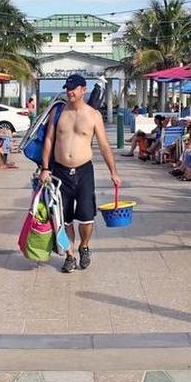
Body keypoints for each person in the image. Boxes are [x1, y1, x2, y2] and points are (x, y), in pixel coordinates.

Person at [39, 74, 122, 273]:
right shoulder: (57, 112)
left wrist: (114, 172)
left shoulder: (93, 115)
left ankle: (84, 246)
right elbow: (48, 140)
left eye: (74, 88)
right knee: (64, 218)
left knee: (86, 218)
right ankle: (70, 255)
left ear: (83, 89)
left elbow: (103, 145)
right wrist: (44, 168)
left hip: (84, 171)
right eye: (68, 88)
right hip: (60, 172)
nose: (70, 92)